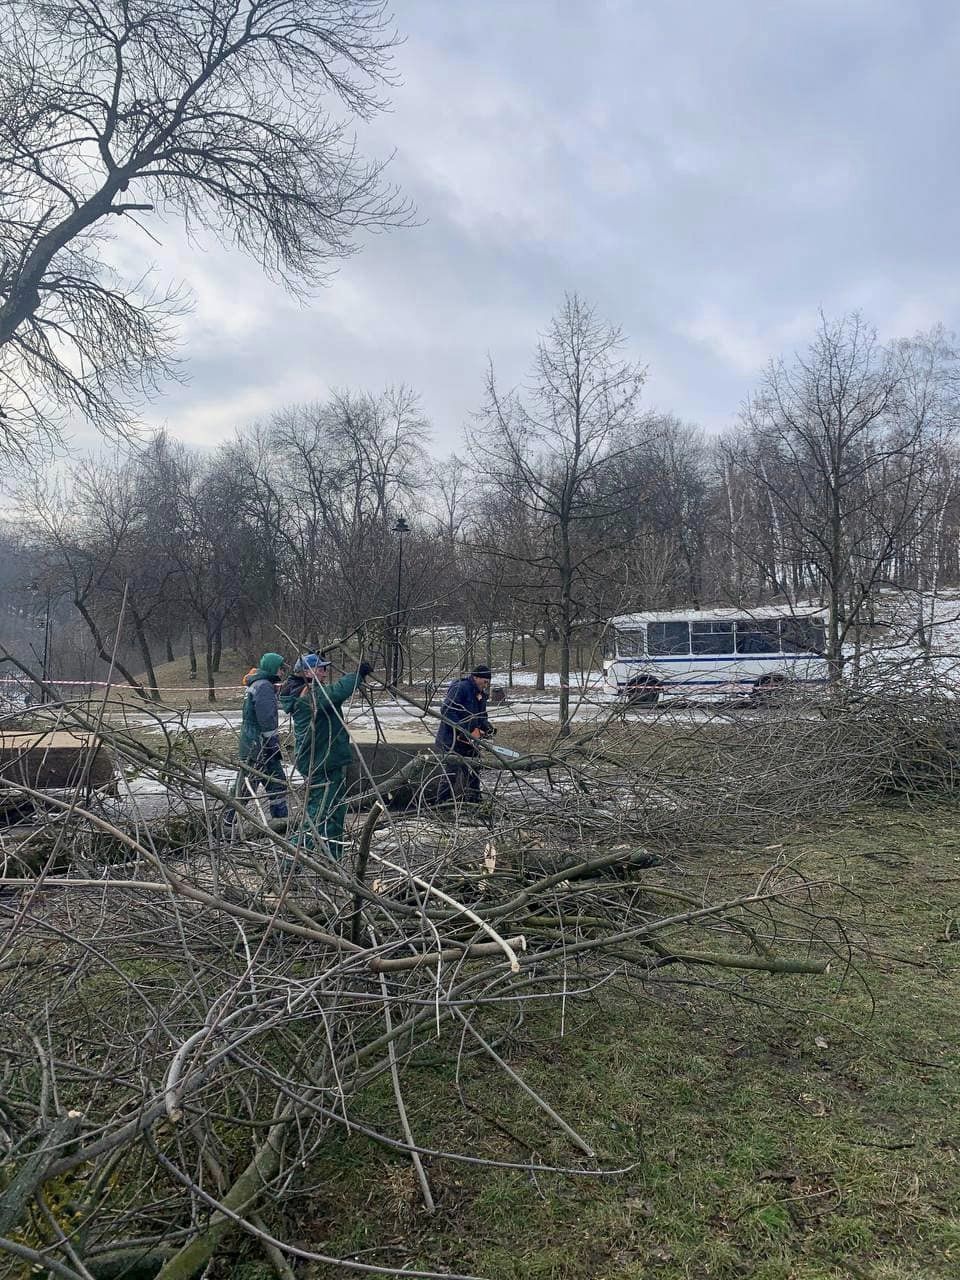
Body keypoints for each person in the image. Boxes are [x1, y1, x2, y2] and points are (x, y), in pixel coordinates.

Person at [279, 653, 373, 858]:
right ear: (306, 672)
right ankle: (291, 861)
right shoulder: (307, 695)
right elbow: (336, 693)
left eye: (324, 668)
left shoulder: (310, 690)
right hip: (319, 763)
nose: (324, 672)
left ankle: (333, 858)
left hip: (328, 760)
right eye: (320, 668)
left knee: (336, 811)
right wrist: (356, 675)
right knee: (318, 815)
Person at [234, 651, 288, 821]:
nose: (282, 672)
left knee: (276, 780)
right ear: (273, 668)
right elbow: (266, 718)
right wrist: (272, 743)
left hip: (254, 740)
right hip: (258, 744)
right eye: (280, 668)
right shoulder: (263, 686)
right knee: (247, 784)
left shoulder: (259, 683)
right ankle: (227, 821)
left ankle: (281, 821)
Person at [434, 664, 495, 804]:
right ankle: (442, 803)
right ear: (475, 677)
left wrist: (486, 727)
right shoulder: (461, 688)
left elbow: (481, 716)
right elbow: (447, 711)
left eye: (488, 682)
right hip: (451, 740)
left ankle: (474, 799)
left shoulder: (480, 695)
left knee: (474, 769)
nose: (486, 685)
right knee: (451, 772)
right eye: (484, 681)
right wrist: (464, 730)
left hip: (469, 742)